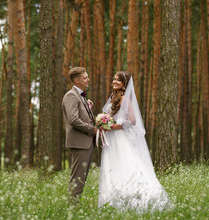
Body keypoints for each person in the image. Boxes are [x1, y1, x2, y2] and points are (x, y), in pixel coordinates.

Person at [98, 71, 173, 211]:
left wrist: (113, 126)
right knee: (112, 167)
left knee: (126, 165)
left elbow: (132, 120)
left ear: (124, 84)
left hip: (120, 138)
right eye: (114, 79)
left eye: (118, 80)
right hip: (111, 139)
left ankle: (142, 199)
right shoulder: (113, 97)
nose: (114, 81)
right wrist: (104, 123)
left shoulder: (125, 99)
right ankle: (113, 201)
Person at [62, 67, 97, 204]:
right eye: (85, 78)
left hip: (85, 143)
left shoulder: (80, 96)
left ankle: (74, 206)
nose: (88, 80)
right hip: (80, 143)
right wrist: (92, 129)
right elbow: (73, 120)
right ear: (77, 80)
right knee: (77, 178)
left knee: (81, 178)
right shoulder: (71, 95)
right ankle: (72, 209)